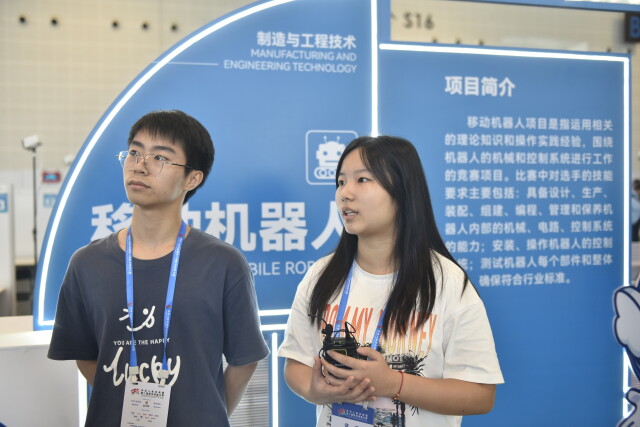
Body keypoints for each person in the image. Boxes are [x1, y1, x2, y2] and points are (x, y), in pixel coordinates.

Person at [48, 110, 269, 426]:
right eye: (134, 153)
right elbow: (84, 353)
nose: (140, 165)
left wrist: (208, 412)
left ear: (192, 178)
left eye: (160, 158)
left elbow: (244, 359)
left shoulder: (223, 263)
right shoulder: (87, 263)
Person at [278, 135, 503, 426]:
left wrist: (395, 383)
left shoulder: (447, 282)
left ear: (403, 190)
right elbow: (296, 364)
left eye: (362, 180)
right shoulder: (321, 275)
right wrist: (316, 391)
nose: (345, 193)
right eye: (341, 182)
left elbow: (480, 395)